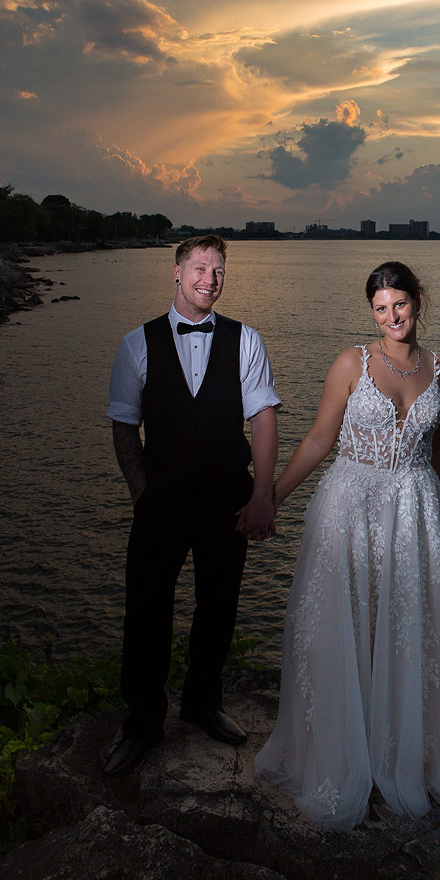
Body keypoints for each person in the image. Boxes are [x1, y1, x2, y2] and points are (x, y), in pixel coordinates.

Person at [256, 261, 440, 829]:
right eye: (381, 308)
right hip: (352, 506)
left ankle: (403, 755)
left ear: (418, 299)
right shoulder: (350, 364)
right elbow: (318, 439)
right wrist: (271, 497)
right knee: (351, 627)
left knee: (411, 632)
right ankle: (344, 757)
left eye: (400, 304)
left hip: (417, 511)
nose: (392, 317)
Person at [102, 234, 280, 777]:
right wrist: (141, 491)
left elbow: (264, 418)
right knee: (148, 608)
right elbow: (123, 425)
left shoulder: (247, 340)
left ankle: (202, 704)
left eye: (219, 269)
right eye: (200, 267)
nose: (210, 278)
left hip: (227, 500)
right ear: (177, 273)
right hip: (161, 503)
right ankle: (142, 722)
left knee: (218, 606)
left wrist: (262, 493)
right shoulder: (137, 343)